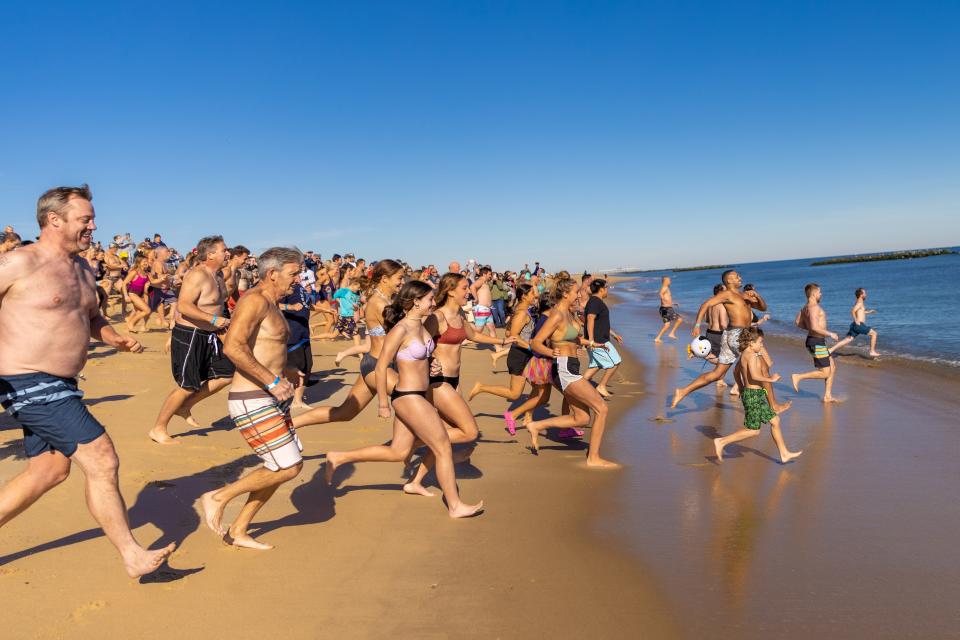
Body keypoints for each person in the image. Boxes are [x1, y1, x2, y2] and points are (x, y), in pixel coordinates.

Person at [0, 184, 174, 577]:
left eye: (92, 218)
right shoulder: (18, 263)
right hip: (27, 381)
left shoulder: (82, 268)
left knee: (49, 471)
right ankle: (132, 555)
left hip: (62, 383)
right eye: (86, 219)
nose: (93, 226)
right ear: (54, 220)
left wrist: (114, 337)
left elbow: (90, 317)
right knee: (101, 457)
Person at [199, 247, 305, 549]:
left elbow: (263, 349)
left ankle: (239, 530)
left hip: (270, 395)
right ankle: (219, 496)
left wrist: (286, 369)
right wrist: (272, 380)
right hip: (252, 398)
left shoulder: (272, 304)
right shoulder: (255, 301)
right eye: (293, 273)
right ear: (272, 274)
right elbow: (234, 347)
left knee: (277, 468)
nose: (298, 279)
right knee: (289, 467)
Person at [292, 259, 404, 430]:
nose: (402, 282)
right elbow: (400, 335)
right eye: (399, 278)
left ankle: (289, 425)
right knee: (413, 400)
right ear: (385, 279)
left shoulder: (386, 301)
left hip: (374, 362)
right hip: (379, 366)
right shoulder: (379, 303)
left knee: (344, 413)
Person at [526, 274, 619, 468]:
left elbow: (573, 339)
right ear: (566, 293)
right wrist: (551, 351)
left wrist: (593, 343)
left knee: (582, 418)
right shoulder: (556, 315)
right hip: (563, 368)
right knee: (601, 408)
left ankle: (537, 426)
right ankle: (593, 457)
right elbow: (535, 342)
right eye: (576, 292)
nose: (579, 295)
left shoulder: (569, 312)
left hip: (572, 366)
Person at [148, 235, 235, 444]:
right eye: (224, 250)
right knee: (187, 385)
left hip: (210, 335)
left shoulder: (218, 276)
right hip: (190, 334)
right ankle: (158, 428)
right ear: (211, 254)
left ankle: (186, 406)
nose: (227, 253)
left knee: (226, 374)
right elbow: (185, 306)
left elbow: (217, 304)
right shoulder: (197, 275)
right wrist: (214, 319)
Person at [671, 270, 767, 409]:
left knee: (717, 374)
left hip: (732, 335)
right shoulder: (727, 294)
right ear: (729, 281)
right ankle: (764, 404)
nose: (740, 278)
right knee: (761, 365)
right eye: (736, 276)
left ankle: (682, 391)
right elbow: (705, 305)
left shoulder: (744, 295)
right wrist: (697, 324)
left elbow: (763, 307)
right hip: (738, 334)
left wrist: (757, 295)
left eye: (740, 275)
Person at [713, 328, 802, 463]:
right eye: (760, 342)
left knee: (775, 421)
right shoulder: (752, 356)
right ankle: (721, 441)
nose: (761, 346)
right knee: (753, 431)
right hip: (753, 396)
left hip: (753, 394)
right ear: (751, 342)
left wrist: (742, 388)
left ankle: (784, 453)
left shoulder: (744, 355)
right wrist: (771, 379)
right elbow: (755, 375)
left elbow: (736, 373)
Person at [468, 283, 539, 433]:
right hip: (520, 356)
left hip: (526, 354)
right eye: (532, 293)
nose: (535, 296)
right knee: (515, 394)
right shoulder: (521, 313)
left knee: (539, 389)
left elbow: (507, 333)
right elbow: (513, 336)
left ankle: (528, 416)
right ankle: (481, 387)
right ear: (524, 296)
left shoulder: (521, 310)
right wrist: (530, 346)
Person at [791, 283, 840, 403]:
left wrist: (811, 328)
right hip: (816, 343)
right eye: (819, 292)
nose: (821, 294)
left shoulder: (805, 308)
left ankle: (827, 396)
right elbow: (814, 326)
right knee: (825, 372)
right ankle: (798, 376)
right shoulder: (814, 308)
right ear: (813, 294)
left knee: (832, 367)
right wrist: (830, 334)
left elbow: (797, 322)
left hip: (815, 341)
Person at [581, 279, 625, 398]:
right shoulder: (595, 302)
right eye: (606, 288)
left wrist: (613, 334)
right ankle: (601, 386)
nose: (607, 290)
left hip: (599, 339)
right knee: (615, 361)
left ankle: (580, 387)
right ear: (601, 289)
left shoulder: (595, 301)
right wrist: (591, 340)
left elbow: (600, 323)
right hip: (598, 341)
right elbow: (590, 319)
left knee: (596, 365)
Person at [280, 279, 314, 408]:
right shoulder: (284, 288)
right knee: (295, 367)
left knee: (307, 366)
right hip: (292, 333)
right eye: (294, 273)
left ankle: (298, 400)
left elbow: (308, 305)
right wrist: (291, 307)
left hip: (304, 332)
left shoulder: (301, 288)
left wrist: (326, 310)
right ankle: (284, 396)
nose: (298, 276)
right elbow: (272, 304)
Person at [830, 288, 880, 357]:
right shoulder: (860, 302)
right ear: (861, 295)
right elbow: (853, 311)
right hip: (859, 324)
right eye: (864, 293)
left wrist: (869, 312)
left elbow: (860, 311)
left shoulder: (859, 301)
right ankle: (872, 351)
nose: (866, 295)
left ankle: (830, 350)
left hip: (855, 325)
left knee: (847, 340)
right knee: (874, 334)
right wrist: (856, 320)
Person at [120, 254, 153, 333]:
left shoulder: (147, 273)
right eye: (144, 261)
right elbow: (124, 283)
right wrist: (125, 296)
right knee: (147, 310)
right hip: (132, 294)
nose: (146, 263)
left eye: (146, 261)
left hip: (140, 295)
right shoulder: (134, 272)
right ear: (139, 263)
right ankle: (131, 323)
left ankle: (128, 328)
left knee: (137, 312)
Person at [654, 276, 683, 342]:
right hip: (666, 309)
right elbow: (660, 294)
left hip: (663, 309)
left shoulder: (665, 288)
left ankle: (657, 338)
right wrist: (663, 300)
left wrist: (673, 303)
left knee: (667, 325)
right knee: (680, 319)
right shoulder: (665, 288)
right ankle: (672, 333)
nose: (670, 281)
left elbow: (667, 298)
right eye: (669, 280)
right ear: (666, 281)